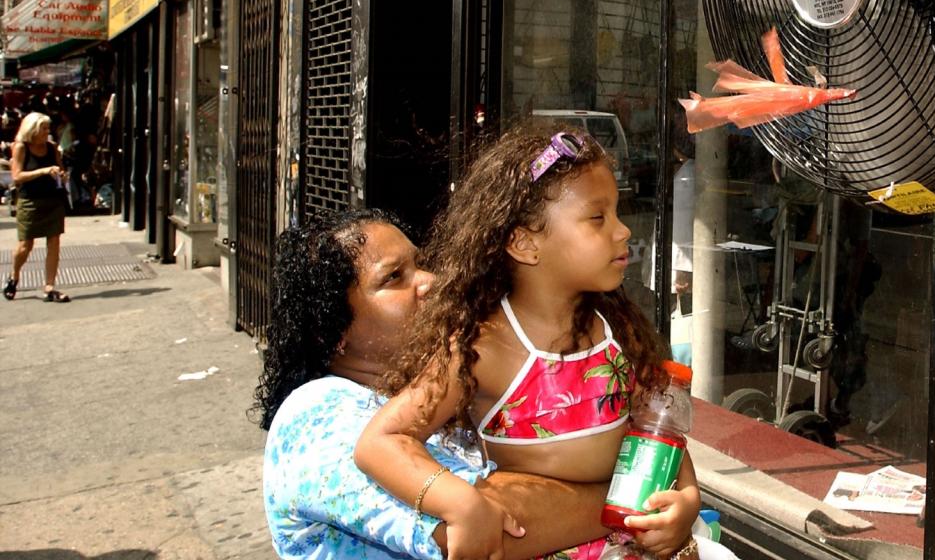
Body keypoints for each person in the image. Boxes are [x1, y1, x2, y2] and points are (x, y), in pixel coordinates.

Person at [356, 125, 703, 560]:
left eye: (617, 213)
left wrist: (687, 501)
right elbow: (381, 441)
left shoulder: (616, 330)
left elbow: (658, 431)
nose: (622, 232)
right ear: (524, 242)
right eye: (598, 218)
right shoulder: (480, 347)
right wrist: (456, 501)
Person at [255, 209, 615, 560]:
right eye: (394, 277)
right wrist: (633, 492)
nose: (430, 281)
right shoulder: (316, 419)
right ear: (332, 330)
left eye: (420, 263)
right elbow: (490, 526)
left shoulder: (437, 388)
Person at [4, 112, 71, 302]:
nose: (47, 132)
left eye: (47, 128)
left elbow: (60, 169)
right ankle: (14, 276)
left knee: (54, 242)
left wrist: (62, 175)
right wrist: (42, 171)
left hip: (52, 200)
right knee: (26, 245)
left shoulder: (52, 148)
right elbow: (17, 177)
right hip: (30, 201)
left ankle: (49, 286)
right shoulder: (21, 148)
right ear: (32, 130)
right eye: (43, 129)